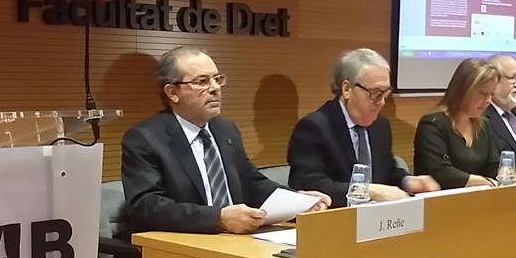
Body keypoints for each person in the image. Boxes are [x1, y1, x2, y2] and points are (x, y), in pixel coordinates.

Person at [119, 46, 330, 237]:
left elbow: (251, 182)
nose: (215, 88)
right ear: (172, 92)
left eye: (217, 79)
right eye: (202, 81)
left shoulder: (225, 130)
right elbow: (146, 206)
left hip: (232, 243)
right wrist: (218, 218)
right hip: (179, 247)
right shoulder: (145, 138)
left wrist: (298, 201)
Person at [287, 48, 438, 207]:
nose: (382, 102)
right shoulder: (314, 127)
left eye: (386, 93)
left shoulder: (380, 126)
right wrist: (367, 190)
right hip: (336, 216)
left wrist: (408, 181)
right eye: (375, 93)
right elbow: (309, 184)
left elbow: (386, 171)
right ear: (347, 89)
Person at [414, 58, 503, 189]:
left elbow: (493, 167)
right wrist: (483, 181)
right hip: (440, 198)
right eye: (484, 93)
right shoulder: (433, 124)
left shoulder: (483, 125)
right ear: (464, 90)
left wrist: (511, 176)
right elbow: (441, 172)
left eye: (492, 94)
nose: (489, 100)